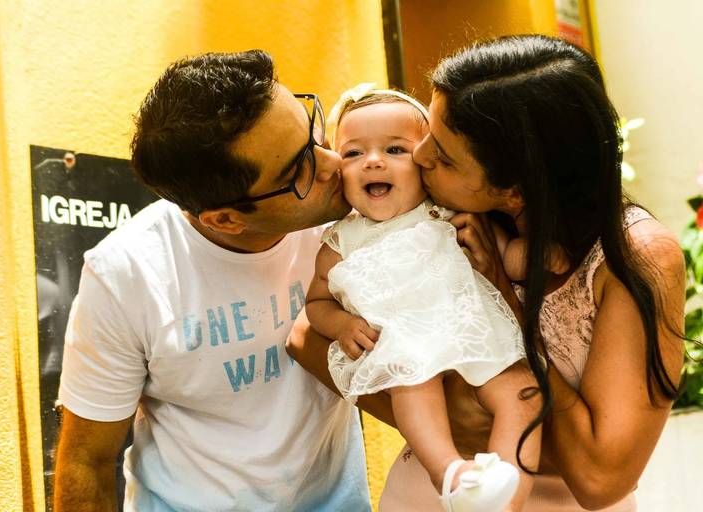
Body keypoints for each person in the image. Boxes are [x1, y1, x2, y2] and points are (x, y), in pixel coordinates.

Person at [287, 35, 685, 512]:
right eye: (430, 132)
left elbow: (601, 480)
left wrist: (504, 305)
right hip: (433, 490)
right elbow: (306, 337)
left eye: (445, 155)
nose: (419, 156)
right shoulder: (434, 209)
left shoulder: (631, 257)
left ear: (513, 190)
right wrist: (430, 410)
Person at [53, 50, 389, 511]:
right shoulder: (126, 275)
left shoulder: (354, 216)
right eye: (299, 170)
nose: (333, 163)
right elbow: (87, 461)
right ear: (226, 220)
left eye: (313, 132)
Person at [305, 85, 539, 512]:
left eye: (395, 149)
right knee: (412, 387)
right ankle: (450, 475)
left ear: (425, 164)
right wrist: (341, 325)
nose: (373, 161)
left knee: (523, 393)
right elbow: (316, 303)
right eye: (354, 154)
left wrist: (548, 254)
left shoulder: (447, 210)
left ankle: (505, 495)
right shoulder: (341, 241)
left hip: (475, 331)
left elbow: (506, 255)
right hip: (407, 344)